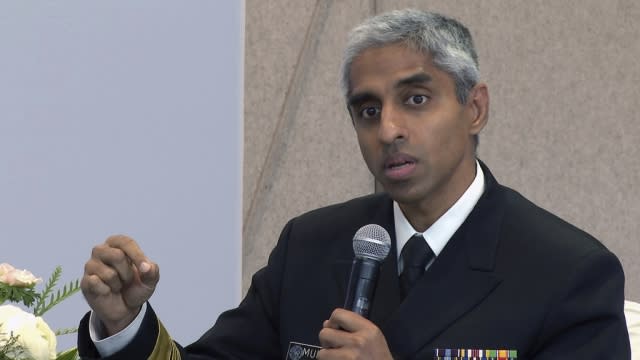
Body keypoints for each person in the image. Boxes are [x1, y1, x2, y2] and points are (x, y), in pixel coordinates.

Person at [77, 9, 631, 360]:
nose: (388, 128)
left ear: (475, 108)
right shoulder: (312, 246)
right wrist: (125, 324)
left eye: (415, 99)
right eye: (367, 110)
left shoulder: (566, 272)